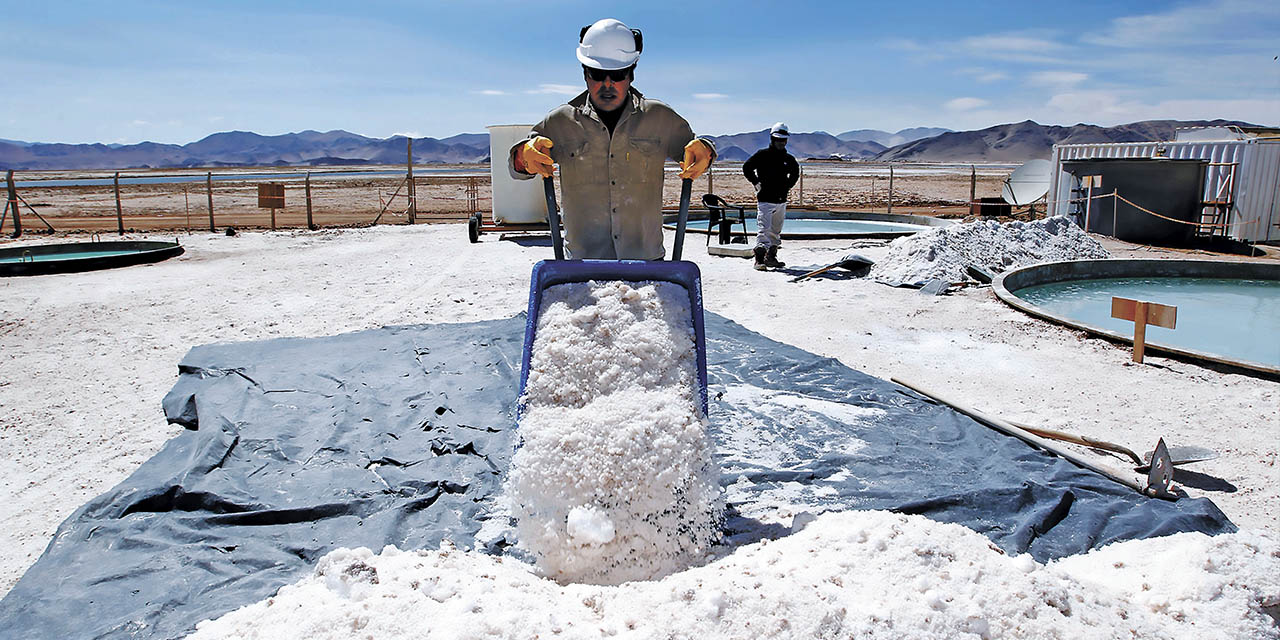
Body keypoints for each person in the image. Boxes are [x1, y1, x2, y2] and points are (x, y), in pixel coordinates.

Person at [508, 18, 715, 260]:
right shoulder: (560, 121)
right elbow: (516, 168)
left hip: (646, 262)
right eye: (598, 74)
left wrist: (706, 152)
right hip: (582, 265)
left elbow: (696, 150)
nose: (608, 84)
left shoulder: (661, 118)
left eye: (617, 75)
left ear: (631, 74)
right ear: (585, 74)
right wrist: (524, 156)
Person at [743, 122, 799, 270]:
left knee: (775, 231)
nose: (781, 142)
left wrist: (787, 186)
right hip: (765, 200)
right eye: (778, 139)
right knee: (764, 229)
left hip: (781, 200)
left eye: (783, 140)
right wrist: (756, 182)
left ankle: (771, 257)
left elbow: (795, 173)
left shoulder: (789, 159)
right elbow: (747, 167)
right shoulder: (762, 155)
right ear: (772, 139)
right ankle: (759, 259)